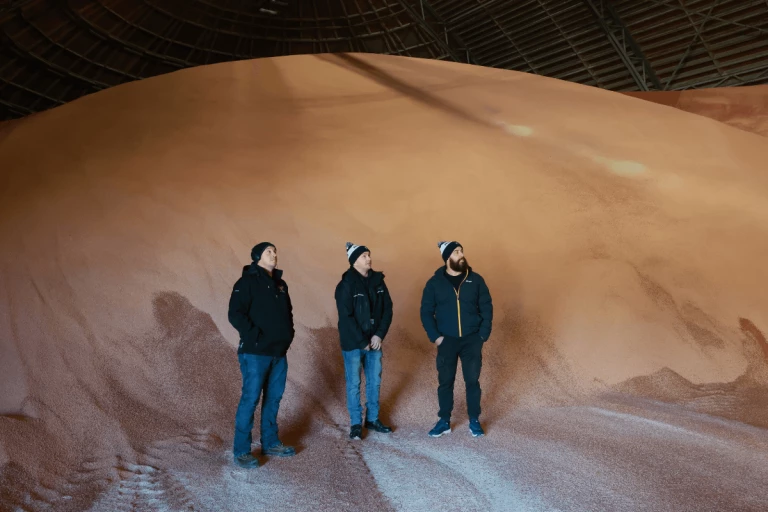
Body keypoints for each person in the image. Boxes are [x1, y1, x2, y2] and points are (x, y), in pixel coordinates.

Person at [228, 242, 297, 468]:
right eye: (269, 251)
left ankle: (270, 442)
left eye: (275, 251)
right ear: (257, 256)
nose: (274, 254)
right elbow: (235, 314)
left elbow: (288, 313)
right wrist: (255, 336)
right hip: (255, 353)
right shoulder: (246, 282)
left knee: (273, 398)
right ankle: (242, 451)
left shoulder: (281, 285)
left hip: (279, 352)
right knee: (250, 399)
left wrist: (288, 336)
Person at [419, 241, 493, 438]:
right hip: (447, 341)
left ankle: (474, 420)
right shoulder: (434, 283)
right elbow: (426, 312)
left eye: (461, 251)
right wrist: (436, 337)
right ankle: (444, 421)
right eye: (456, 252)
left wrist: (482, 335)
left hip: (472, 340)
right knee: (445, 382)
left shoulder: (475, 280)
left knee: (472, 381)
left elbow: (486, 307)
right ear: (447, 258)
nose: (461, 255)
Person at [334, 242, 394, 440]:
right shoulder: (346, 284)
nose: (369, 258)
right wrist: (361, 341)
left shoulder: (379, 281)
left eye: (369, 255)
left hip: (374, 342)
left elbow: (387, 309)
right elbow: (346, 317)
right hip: (353, 344)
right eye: (364, 256)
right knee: (354, 383)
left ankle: (373, 419)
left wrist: (379, 335)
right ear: (354, 261)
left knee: (374, 382)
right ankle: (355, 424)